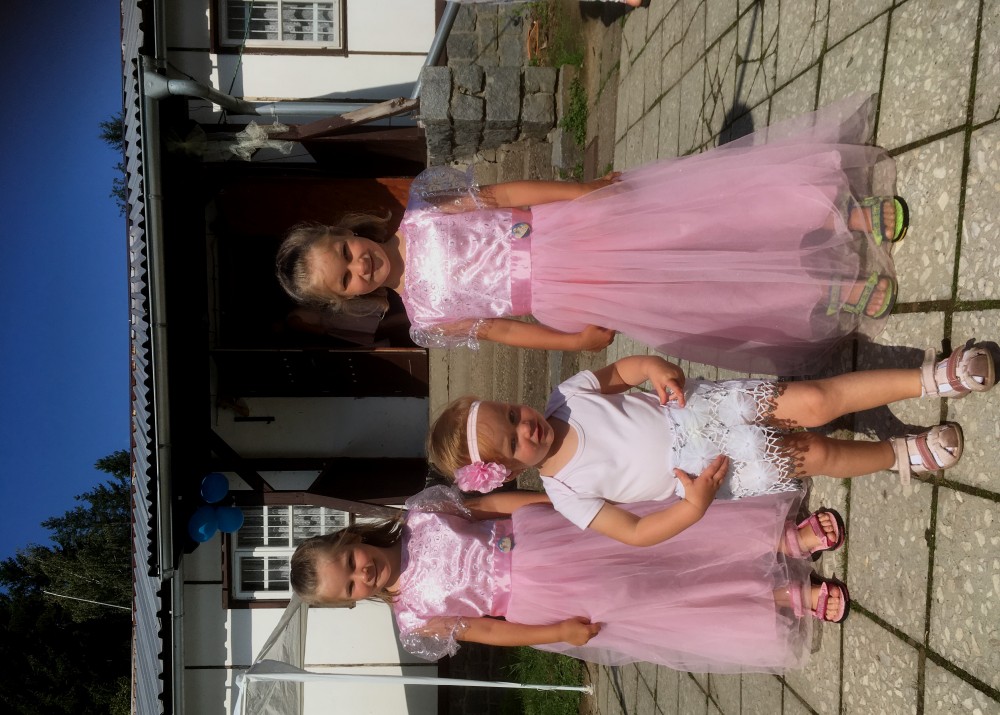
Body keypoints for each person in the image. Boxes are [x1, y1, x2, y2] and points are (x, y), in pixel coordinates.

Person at [276, 94, 905, 375]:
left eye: (345, 252)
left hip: (568, 228)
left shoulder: (425, 208)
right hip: (568, 294)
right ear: (350, 299)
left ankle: (834, 215)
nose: (360, 266)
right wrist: (571, 341)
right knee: (693, 294)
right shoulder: (426, 320)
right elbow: (500, 331)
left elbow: (503, 196)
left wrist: (580, 191)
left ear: (345, 231)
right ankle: (820, 292)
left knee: (697, 221)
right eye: (347, 280)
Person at [427, 343, 994, 547]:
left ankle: (931, 378)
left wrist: (652, 366)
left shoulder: (566, 396)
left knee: (815, 401)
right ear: (508, 472)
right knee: (815, 454)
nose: (527, 426)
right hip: (712, 471)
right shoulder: (567, 493)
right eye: (514, 441)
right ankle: (901, 455)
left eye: (512, 413)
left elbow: (621, 372)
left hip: (702, 409)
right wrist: (692, 507)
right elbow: (635, 533)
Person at [289, 484, 847, 672]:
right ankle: (781, 595)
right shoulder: (415, 620)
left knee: (664, 539)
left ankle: (777, 539)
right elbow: (487, 630)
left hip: (549, 536)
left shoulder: (422, 514)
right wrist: (556, 631)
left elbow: (490, 506)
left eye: (351, 562)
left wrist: (557, 503)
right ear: (351, 602)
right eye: (350, 587)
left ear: (351, 539)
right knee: (660, 595)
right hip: (544, 598)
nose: (362, 574)